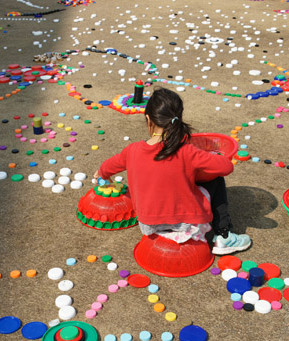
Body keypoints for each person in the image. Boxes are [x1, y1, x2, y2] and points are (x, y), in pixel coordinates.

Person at [94, 87, 251, 255]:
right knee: (217, 180)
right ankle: (224, 235)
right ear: (178, 119)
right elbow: (226, 167)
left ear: (148, 119)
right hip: (186, 224)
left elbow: (109, 166)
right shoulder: (187, 151)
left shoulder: (131, 151)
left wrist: (101, 174)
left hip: (149, 225)